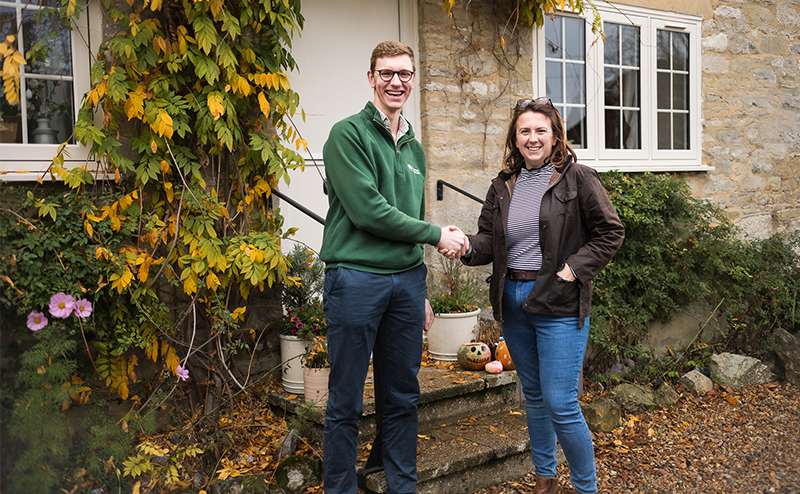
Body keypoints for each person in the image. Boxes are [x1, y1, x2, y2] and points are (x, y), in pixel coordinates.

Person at [319, 40, 468, 494]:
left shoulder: (414, 150)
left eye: (404, 74)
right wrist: (437, 234)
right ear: (371, 78)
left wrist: (419, 288)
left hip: (405, 284)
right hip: (356, 280)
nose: (396, 82)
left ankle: (402, 486)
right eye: (386, 73)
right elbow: (369, 211)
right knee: (345, 400)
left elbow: (409, 221)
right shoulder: (347, 135)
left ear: (414, 80)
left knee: (403, 396)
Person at [454, 98, 625, 494]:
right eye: (524, 132)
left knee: (561, 404)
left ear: (555, 136)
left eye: (540, 131)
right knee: (533, 397)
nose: (532, 138)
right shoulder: (503, 185)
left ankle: (586, 488)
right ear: (515, 139)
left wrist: (572, 270)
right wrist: (464, 246)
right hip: (512, 300)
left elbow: (610, 232)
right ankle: (544, 482)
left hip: (559, 300)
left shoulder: (578, 178)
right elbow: (486, 242)